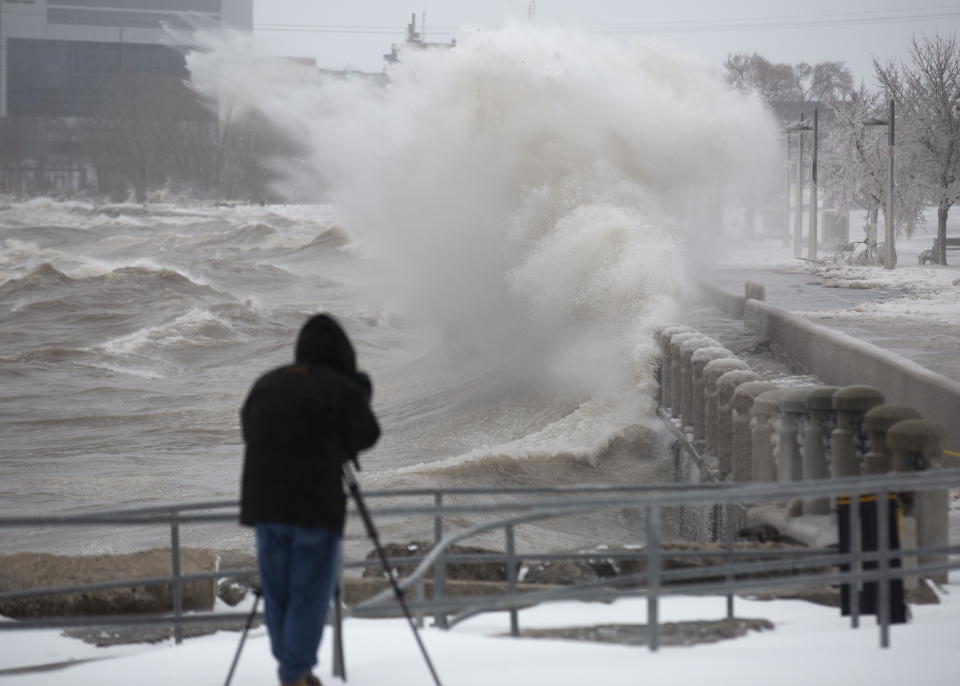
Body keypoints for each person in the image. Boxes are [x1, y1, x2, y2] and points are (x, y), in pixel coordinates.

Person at [240, 313, 380, 686]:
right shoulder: (337, 387)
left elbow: (248, 427)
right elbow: (366, 433)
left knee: (278, 593)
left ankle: (291, 667)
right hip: (314, 510)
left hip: (265, 508)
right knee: (309, 593)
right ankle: (295, 674)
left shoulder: (267, 383)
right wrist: (358, 389)